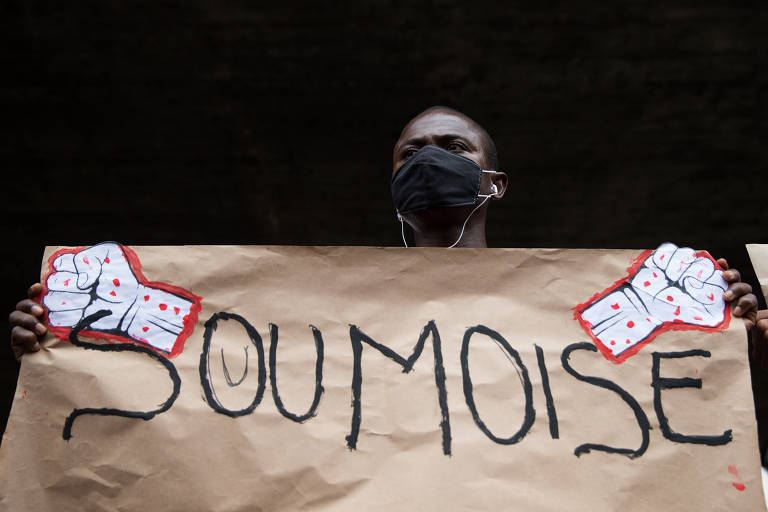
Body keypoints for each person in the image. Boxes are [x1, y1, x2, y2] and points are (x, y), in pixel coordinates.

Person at [8, 105, 763, 357]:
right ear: (394, 185)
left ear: (492, 184)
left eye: (454, 149)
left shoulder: (571, 308)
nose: (431, 161)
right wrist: (67, 347)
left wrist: (735, 348)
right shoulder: (318, 310)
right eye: (412, 154)